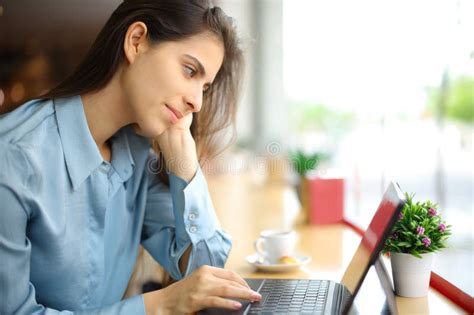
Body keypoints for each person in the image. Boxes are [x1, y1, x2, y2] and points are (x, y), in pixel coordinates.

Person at [0, 0, 262, 314]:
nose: (196, 103)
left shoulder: (135, 155)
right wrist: (161, 304)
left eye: (204, 87)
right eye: (189, 70)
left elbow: (204, 272)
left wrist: (184, 159)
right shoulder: (12, 159)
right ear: (136, 41)